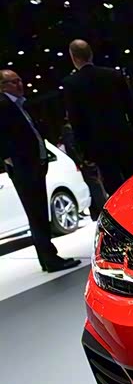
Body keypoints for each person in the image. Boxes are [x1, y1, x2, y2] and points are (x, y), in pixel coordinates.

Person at [0, 70, 80, 273]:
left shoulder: (20, 105)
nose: (19, 84)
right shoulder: (3, 105)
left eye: (19, 79)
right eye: (13, 82)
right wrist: (11, 160)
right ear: (2, 86)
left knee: (40, 214)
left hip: (33, 164)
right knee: (37, 215)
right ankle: (50, 259)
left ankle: (47, 258)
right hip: (24, 167)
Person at [63, 40, 133, 197]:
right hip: (124, 138)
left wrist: (85, 152)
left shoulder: (71, 84)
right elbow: (131, 107)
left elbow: (76, 122)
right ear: (91, 54)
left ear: (73, 58)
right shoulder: (113, 74)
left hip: (99, 146)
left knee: (115, 190)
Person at [60, 118, 107, 221]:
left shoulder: (73, 128)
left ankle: (96, 213)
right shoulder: (68, 129)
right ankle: (103, 210)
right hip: (84, 163)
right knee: (96, 187)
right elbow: (71, 147)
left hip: (85, 162)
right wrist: (82, 162)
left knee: (93, 187)